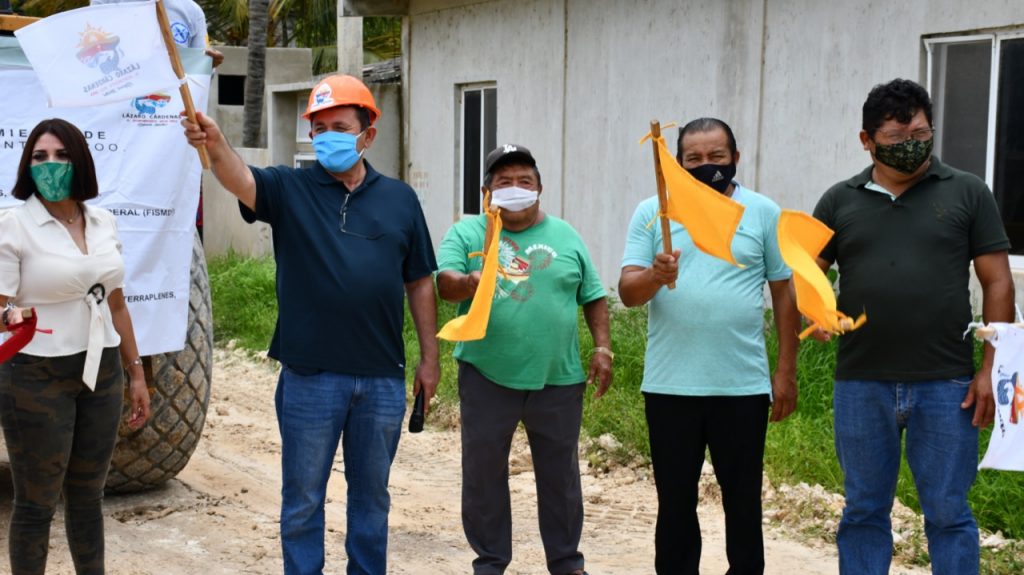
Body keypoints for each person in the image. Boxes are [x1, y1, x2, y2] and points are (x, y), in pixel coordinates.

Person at [181, 74, 440, 575]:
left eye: (339, 127)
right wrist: (216, 145)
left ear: (368, 134)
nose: (326, 137)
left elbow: (419, 281)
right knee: (303, 500)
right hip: (310, 377)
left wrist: (430, 359)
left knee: (372, 500)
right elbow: (241, 178)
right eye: (318, 129)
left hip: (382, 378)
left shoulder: (401, 200)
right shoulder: (290, 188)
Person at [812, 78, 1014, 575]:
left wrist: (991, 368)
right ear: (867, 140)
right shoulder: (839, 200)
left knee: (948, 513)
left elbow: (998, 283)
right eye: (896, 138)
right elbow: (808, 272)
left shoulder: (968, 192)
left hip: (948, 384)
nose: (911, 145)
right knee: (863, 510)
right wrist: (815, 312)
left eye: (920, 134)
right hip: (861, 382)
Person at [618, 118, 800, 574]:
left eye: (716, 156)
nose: (706, 165)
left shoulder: (763, 212)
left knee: (743, 502)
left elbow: (783, 292)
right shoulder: (654, 212)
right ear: (677, 164)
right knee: (675, 503)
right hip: (670, 386)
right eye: (693, 158)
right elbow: (628, 292)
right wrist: (655, 275)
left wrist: (786, 371)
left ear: (735, 157)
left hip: (741, 386)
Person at [436, 144, 612, 575]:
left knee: (560, 477)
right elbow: (444, 283)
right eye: (504, 182)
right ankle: (490, 562)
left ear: (539, 188)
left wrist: (602, 347)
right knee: (483, 474)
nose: (515, 188)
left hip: (558, 378)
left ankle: (567, 563)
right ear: (487, 192)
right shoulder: (469, 233)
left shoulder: (566, 235)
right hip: (486, 375)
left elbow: (593, 295)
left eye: (524, 181)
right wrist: (470, 281)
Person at [0, 118, 151, 573]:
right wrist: (12, 316)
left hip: (101, 370)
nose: (51, 165)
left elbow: (116, 302)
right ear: (27, 166)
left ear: (80, 161)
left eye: (62, 155)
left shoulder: (103, 221)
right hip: (34, 374)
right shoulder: (13, 225)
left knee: (88, 497)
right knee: (36, 503)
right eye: (40, 156)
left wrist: (136, 372)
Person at [90, 0, 225, 67]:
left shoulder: (191, 10)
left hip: (171, 108)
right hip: (119, 107)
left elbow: (198, 72)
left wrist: (208, 65)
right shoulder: (105, 4)